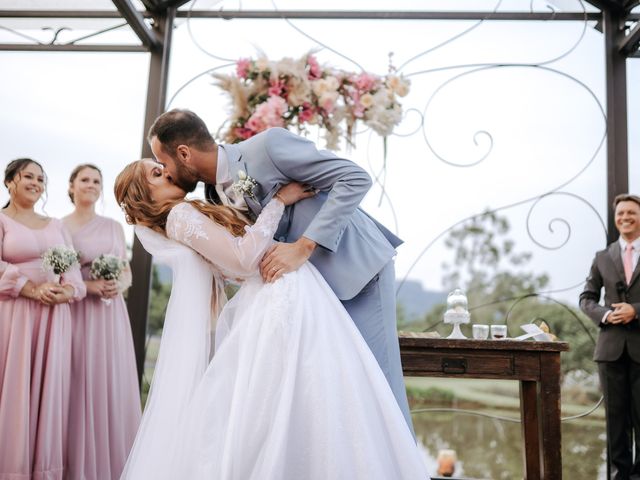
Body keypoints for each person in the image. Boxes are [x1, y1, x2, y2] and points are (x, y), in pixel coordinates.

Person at [114, 159, 428, 479]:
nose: (166, 171)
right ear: (143, 193)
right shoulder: (179, 215)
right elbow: (242, 259)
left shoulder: (179, 216)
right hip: (280, 285)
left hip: (277, 286)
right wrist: (278, 202)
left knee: (292, 395)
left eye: (161, 166)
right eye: (156, 173)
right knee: (317, 390)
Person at [147, 108, 413, 432]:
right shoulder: (213, 195)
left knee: (379, 393)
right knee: (337, 403)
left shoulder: (268, 147)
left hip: (357, 274)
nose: (166, 172)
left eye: (164, 163)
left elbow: (354, 178)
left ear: (184, 153)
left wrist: (304, 246)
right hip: (309, 299)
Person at [0, 158, 86, 480]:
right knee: (13, 388)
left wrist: (70, 292)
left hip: (53, 320)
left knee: (48, 394)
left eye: (41, 178)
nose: (36, 183)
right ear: (10, 181)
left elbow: (73, 271)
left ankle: (42, 471)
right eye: (28, 176)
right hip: (15, 315)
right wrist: (30, 288)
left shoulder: (56, 226)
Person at [62, 164, 141, 480]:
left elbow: (126, 269)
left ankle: (110, 464)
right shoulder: (58, 226)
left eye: (97, 180)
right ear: (71, 186)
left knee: (107, 379)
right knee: (76, 378)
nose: (91, 185)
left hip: (109, 313)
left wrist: (116, 285)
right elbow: (55, 273)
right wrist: (87, 286)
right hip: (76, 310)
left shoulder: (112, 226)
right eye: (85, 179)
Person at [580, 193, 640, 479]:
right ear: (616, 219)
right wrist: (605, 314)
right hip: (610, 351)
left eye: (631, 213)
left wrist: (635, 311)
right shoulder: (602, 257)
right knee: (615, 422)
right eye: (620, 214)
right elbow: (586, 298)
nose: (625, 218)